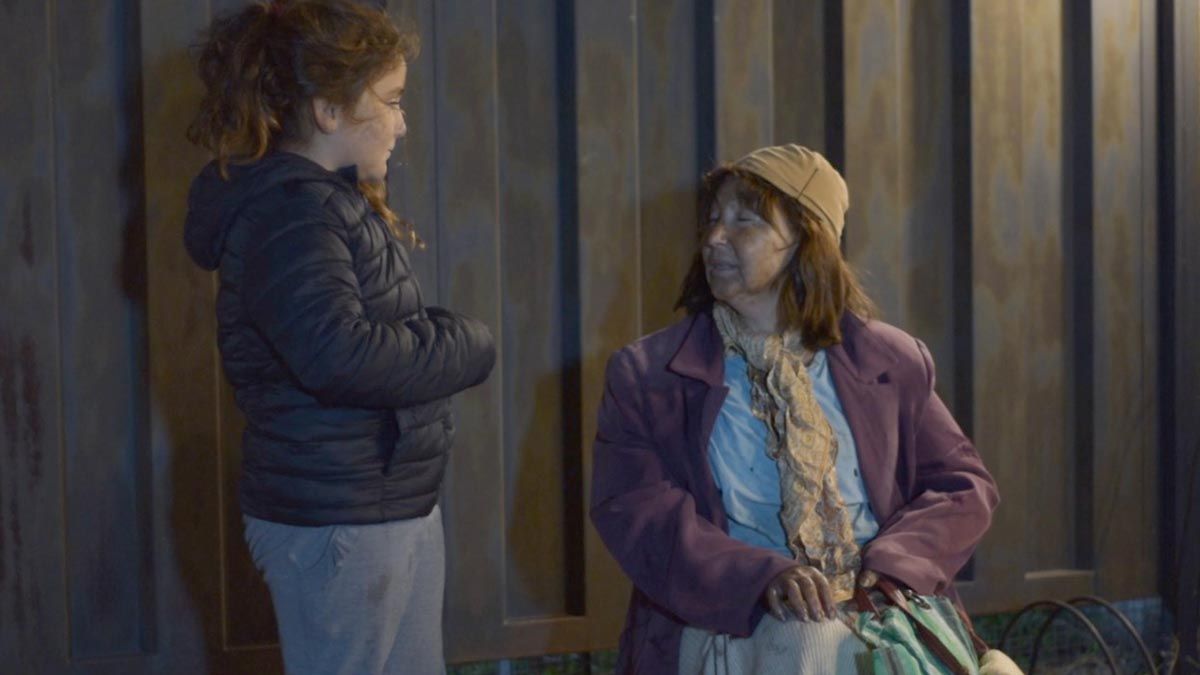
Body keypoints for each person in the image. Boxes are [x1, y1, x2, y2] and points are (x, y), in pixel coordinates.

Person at [590, 144, 1000, 673]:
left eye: (745, 221)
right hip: (731, 617)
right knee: (813, 645)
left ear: (807, 240)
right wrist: (761, 578)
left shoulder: (891, 361)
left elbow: (963, 485)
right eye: (712, 219)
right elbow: (635, 509)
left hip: (882, 607)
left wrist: (896, 564)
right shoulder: (649, 376)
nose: (714, 238)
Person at [183, 2, 496, 673]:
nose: (402, 122)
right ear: (328, 110)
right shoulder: (292, 213)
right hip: (340, 518)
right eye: (392, 100)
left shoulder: (324, 202)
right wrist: (466, 344)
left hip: (382, 505)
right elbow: (339, 354)